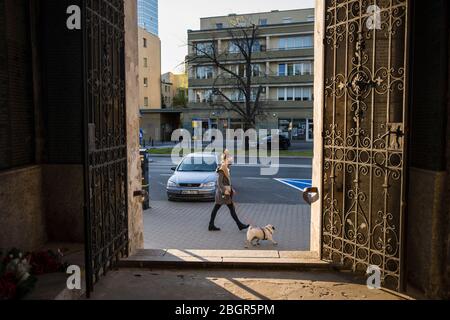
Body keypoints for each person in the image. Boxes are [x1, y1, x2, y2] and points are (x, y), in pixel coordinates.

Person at [208, 150, 249, 231]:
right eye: (229, 158)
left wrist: (231, 188)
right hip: (222, 194)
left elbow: (226, 181)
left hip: (225, 192)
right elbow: (219, 183)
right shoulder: (222, 169)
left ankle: (211, 225)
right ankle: (239, 225)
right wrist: (224, 191)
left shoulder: (226, 168)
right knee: (222, 208)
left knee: (223, 208)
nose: (231, 159)